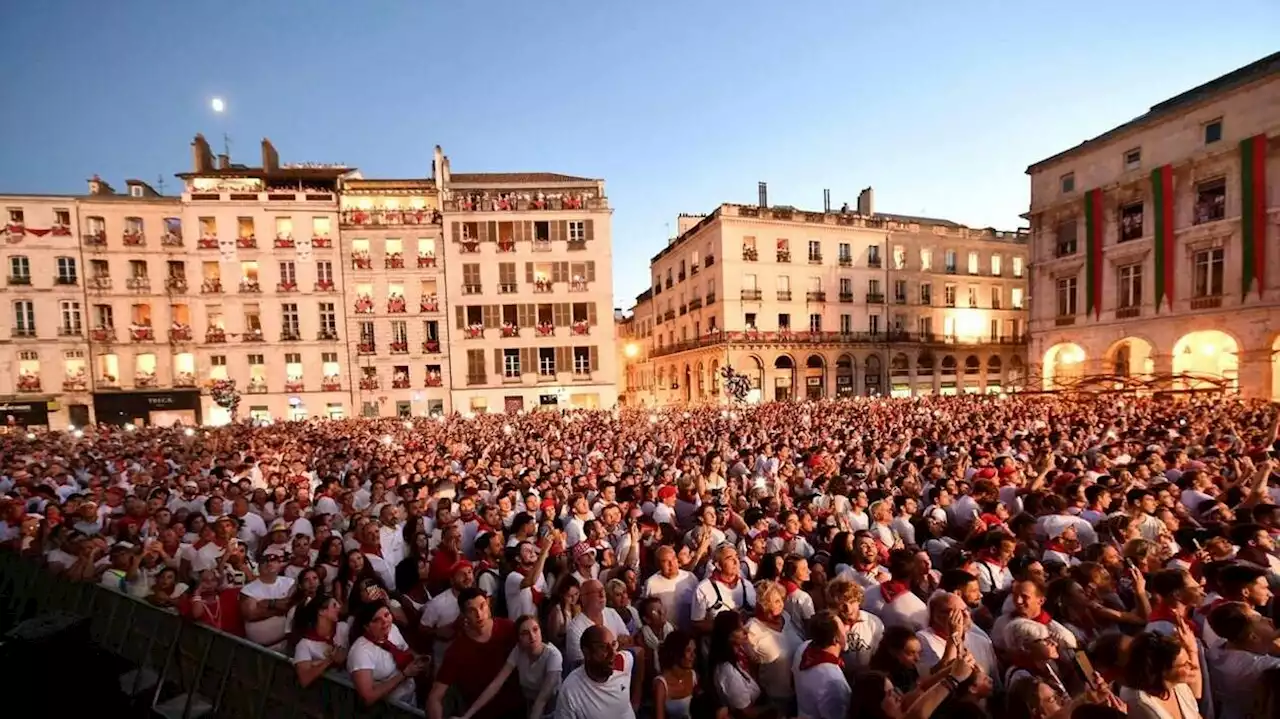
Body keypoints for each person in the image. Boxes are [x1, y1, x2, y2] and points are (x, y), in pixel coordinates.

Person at [428, 587, 523, 719]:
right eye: (472, 610)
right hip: (481, 714)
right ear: (464, 614)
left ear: (488, 603)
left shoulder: (508, 628)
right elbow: (435, 697)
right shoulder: (457, 651)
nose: (479, 614)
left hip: (518, 709)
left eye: (482, 606)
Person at [454, 614, 562, 719]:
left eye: (535, 629)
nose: (532, 636)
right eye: (525, 633)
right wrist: (467, 716)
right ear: (518, 639)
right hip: (529, 702)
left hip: (552, 706)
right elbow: (496, 683)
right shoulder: (519, 650)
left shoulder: (553, 656)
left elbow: (542, 700)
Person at [347, 600, 427, 706]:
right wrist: (404, 674)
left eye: (386, 615)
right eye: (377, 620)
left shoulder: (392, 629)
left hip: (410, 698)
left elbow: (405, 651)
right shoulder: (360, 652)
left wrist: (418, 659)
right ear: (366, 627)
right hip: (387, 709)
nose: (385, 621)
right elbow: (367, 697)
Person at [1119, 622, 1203, 719]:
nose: (1193, 665)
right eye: (1185, 664)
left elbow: (1196, 713)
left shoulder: (1178, 686)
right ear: (1163, 671)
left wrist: (1192, 649)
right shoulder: (1140, 703)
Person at [555, 625, 639, 719]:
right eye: (603, 647)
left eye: (613, 644)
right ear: (587, 652)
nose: (613, 653)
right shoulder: (570, 690)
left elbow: (639, 653)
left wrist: (636, 696)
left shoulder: (622, 661)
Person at [792, 611, 851, 719]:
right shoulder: (834, 682)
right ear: (835, 639)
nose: (847, 629)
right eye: (843, 627)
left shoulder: (802, 649)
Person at [290, 594, 349, 687]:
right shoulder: (304, 644)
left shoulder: (343, 628)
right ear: (321, 611)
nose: (339, 607)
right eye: (334, 605)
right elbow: (304, 679)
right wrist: (329, 661)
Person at [652, 630, 698, 719]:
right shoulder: (661, 684)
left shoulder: (693, 675)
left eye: (694, 651)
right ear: (676, 653)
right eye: (688, 650)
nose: (693, 655)